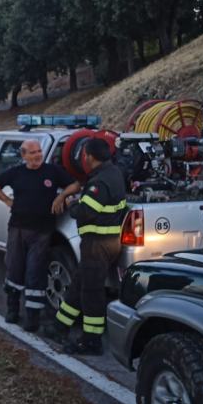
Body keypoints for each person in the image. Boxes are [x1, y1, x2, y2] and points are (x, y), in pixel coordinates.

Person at [0, 139, 80, 332]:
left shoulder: (52, 171)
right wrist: (6, 200)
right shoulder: (16, 172)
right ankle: (12, 311)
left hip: (43, 231)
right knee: (14, 270)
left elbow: (75, 185)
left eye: (39, 151)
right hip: (18, 229)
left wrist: (61, 196)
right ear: (23, 155)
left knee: (35, 273)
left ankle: (33, 319)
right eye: (32, 152)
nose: (37, 155)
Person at [48, 138, 127, 355]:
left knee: (91, 292)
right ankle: (60, 326)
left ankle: (91, 341)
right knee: (79, 284)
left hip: (97, 244)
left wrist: (73, 204)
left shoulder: (98, 182)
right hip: (107, 243)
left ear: (90, 157)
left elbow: (85, 212)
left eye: (84, 155)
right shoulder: (115, 173)